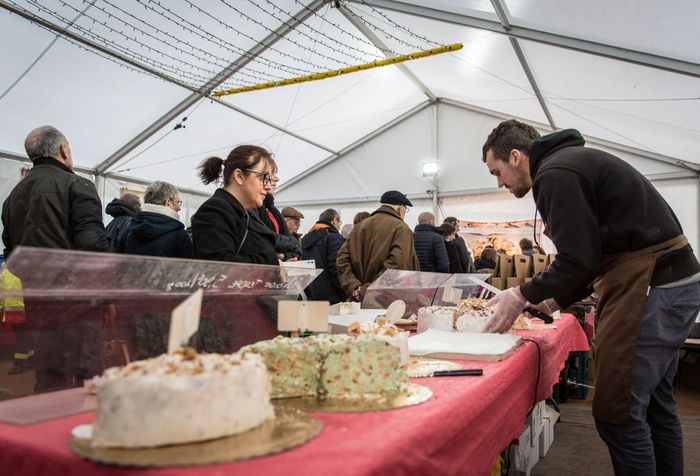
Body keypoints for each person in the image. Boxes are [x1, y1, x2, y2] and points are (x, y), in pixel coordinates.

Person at [481, 119, 700, 476]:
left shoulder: (555, 173)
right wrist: (552, 301)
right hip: (675, 284)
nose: (499, 182)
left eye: (497, 171)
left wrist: (520, 294)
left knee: (619, 415)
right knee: (656, 407)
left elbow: (578, 259)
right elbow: (594, 257)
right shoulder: (571, 162)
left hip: (653, 287)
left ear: (516, 156)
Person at [1, 126, 109, 392]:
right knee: (88, 377)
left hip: (38, 299)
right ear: (63, 150)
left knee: (49, 373)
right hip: (79, 301)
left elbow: (12, 251)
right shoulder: (77, 184)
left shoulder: (13, 196)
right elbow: (92, 245)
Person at [191, 145, 278, 264]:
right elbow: (219, 266)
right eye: (264, 177)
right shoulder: (214, 211)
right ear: (239, 176)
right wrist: (273, 262)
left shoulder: (240, 213)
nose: (268, 186)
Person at [336, 190, 419, 302]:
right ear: (400, 208)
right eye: (406, 209)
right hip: (387, 301)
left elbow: (342, 258)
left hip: (359, 299)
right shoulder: (402, 228)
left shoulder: (359, 227)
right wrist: (368, 290)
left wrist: (354, 286)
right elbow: (397, 265)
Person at [118, 181, 192, 258]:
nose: (179, 208)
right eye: (178, 202)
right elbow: (189, 267)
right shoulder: (180, 235)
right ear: (168, 202)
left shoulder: (129, 230)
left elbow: (119, 262)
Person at [255, 162, 301, 261]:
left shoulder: (272, 209)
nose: (277, 179)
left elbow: (298, 250)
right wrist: (292, 242)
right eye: (270, 175)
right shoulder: (252, 208)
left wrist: (284, 256)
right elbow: (266, 240)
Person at [301, 209, 345, 303]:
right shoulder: (334, 237)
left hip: (311, 294)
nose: (340, 226)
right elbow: (336, 267)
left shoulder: (305, 239)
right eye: (339, 222)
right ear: (334, 220)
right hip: (332, 295)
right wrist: (343, 291)